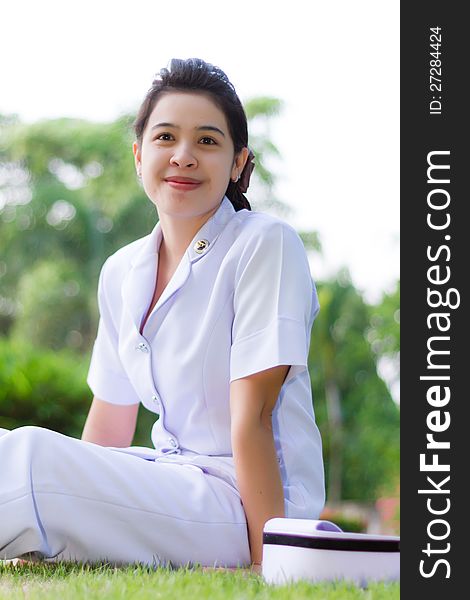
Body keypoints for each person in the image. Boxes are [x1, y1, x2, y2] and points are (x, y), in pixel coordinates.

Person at [0, 58, 325, 572]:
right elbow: (108, 422)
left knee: (30, 461)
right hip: (168, 484)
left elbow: (254, 418)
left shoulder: (265, 245)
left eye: (208, 141)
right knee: (12, 453)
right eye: (166, 137)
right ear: (138, 155)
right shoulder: (121, 270)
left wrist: (271, 566)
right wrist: (70, 509)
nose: (183, 156)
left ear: (239, 163)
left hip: (243, 504)